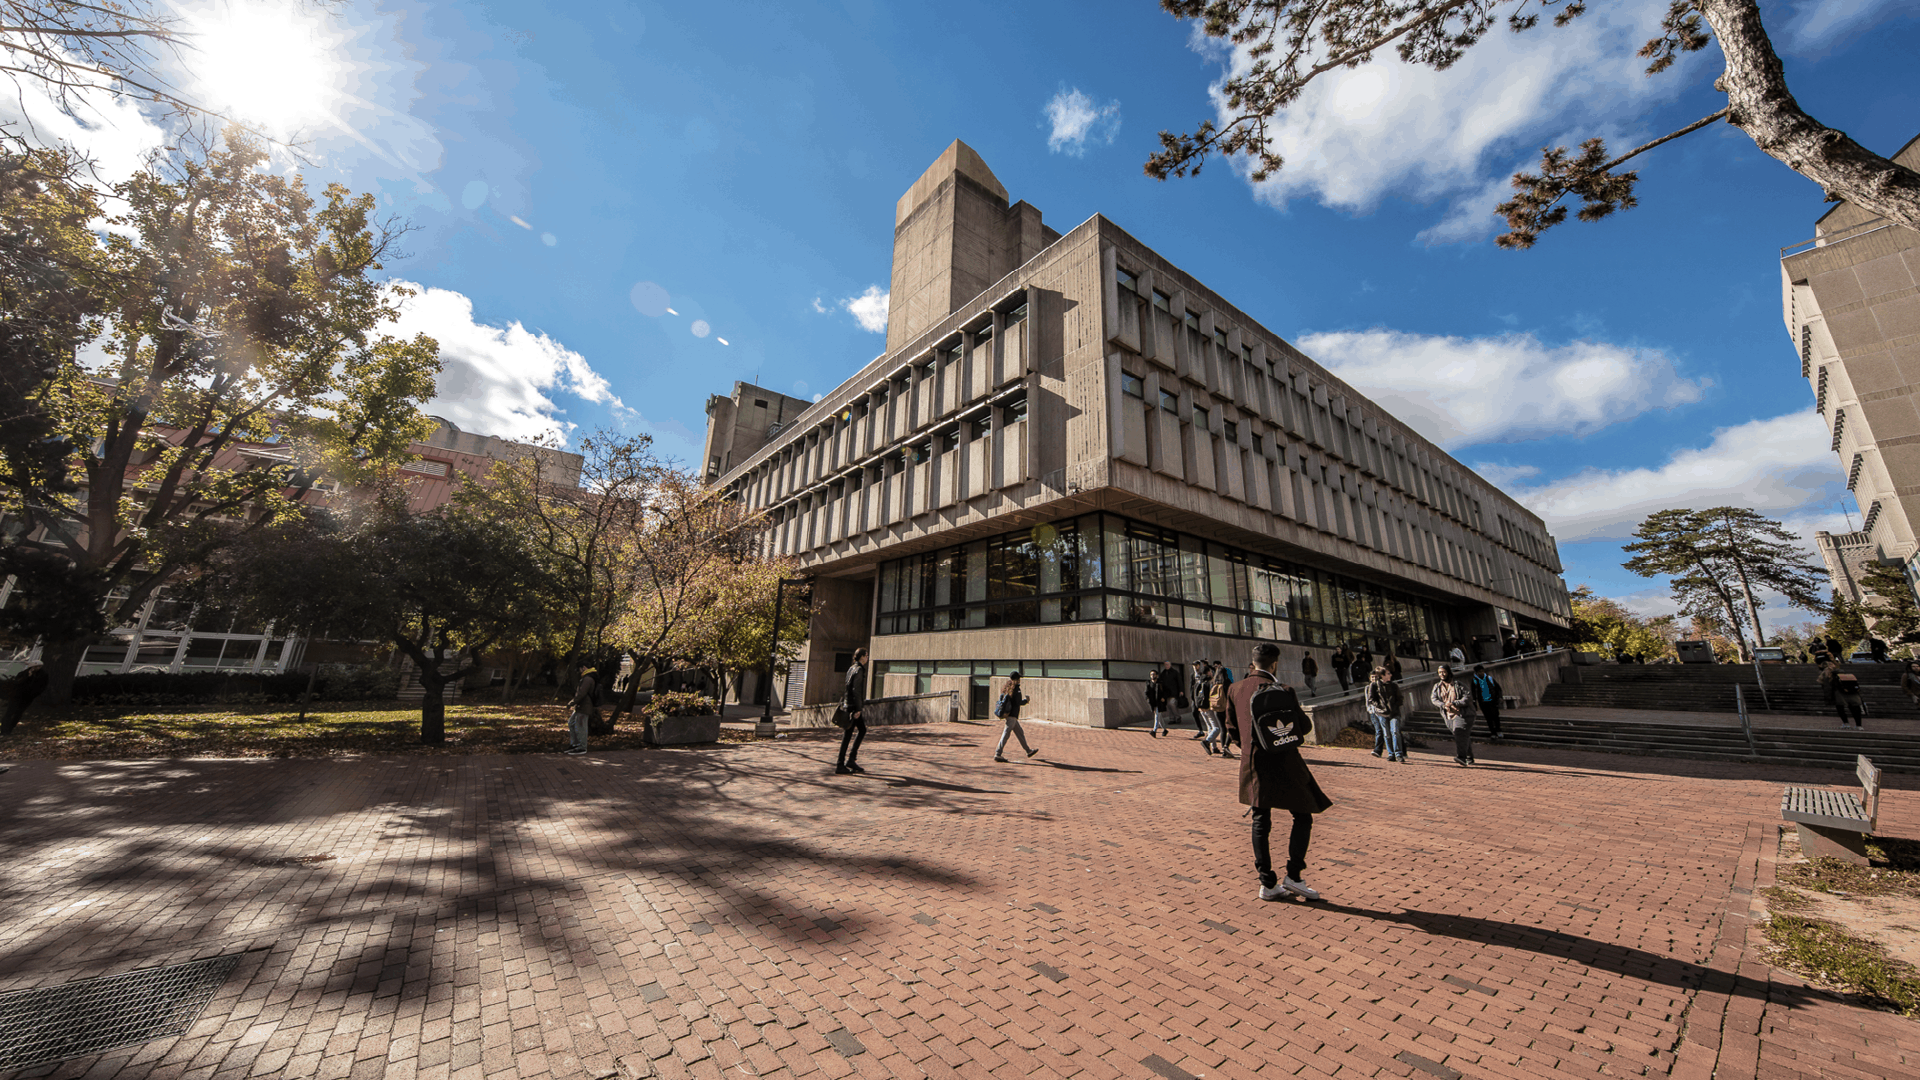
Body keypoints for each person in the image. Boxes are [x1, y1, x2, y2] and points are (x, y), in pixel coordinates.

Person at [1228, 642, 1332, 902]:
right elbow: (1304, 726)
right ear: (1274, 663)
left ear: (1252, 662)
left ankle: (1267, 883)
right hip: (1286, 762)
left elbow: (1232, 730)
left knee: (1261, 821)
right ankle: (1294, 877)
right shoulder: (1284, 690)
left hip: (1253, 764)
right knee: (1303, 815)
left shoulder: (1235, 689)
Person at [835, 647, 870, 774]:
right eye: (866, 655)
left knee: (859, 730)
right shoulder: (859, 670)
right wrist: (858, 709)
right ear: (861, 657)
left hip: (848, 705)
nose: (867, 658)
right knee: (849, 734)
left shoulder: (851, 668)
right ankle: (842, 763)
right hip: (853, 707)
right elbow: (856, 690)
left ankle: (850, 760)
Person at [1431, 664, 1474, 766]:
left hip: (1463, 714)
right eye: (1439, 672)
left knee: (1459, 732)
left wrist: (1455, 703)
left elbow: (1467, 697)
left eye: (1443, 672)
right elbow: (1434, 699)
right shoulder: (1437, 687)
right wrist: (1443, 705)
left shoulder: (1459, 685)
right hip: (1448, 715)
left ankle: (1461, 757)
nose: (1441, 674)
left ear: (1449, 672)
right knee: (1461, 735)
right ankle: (1469, 756)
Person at [992, 670, 1039, 761]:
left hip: (1009, 714)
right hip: (1012, 715)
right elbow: (1017, 702)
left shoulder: (1008, 687)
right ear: (1017, 679)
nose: (1020, 680)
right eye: (1019, 678)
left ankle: (1028, 751)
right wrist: (1026, 701)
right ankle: (998, 753)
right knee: (1006, 734)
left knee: (1020, 732)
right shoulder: (1016, 689)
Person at [1365, 667, 1405, 762]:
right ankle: (1391, 754)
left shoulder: (1394, 685)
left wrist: (1395, 707)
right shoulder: (1374, 685)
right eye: (1388, 673)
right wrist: (1379, 707)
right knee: (1386, 734)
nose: (1390, 675)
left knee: (1395, 732)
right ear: (1382, 675)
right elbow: (1371, 699)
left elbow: (1400, 698)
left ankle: (1398, 754)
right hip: (1382, 713)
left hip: (1394, 713)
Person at [1, 662, 49, 737]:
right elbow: (17, 682)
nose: (37, 668)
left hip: (28, 697)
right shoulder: (23, 674)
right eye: (35, 667)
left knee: (18, 713)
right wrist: (27, 676)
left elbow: (40, 686)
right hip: (17, 695)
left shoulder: (43, 675)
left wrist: (34, 693)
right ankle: (4, 730)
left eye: (39, 666)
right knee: (10, 712)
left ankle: (9, 729)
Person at [566, 667, 600, 755]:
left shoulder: (588, 678)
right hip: (581, 706)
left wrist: (571, 703)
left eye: (580, 669)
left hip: (584, 706)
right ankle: (575, 744)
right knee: (572, 722)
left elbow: (581, 693)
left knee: (581, 726)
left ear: (584, 667)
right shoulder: (588, 677)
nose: (579, 671)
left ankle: (581, 746)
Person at [1202, 662, 1233, 756]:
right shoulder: (1227, 683)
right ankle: (1226, 747)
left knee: (1223, 729)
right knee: (1231, 728)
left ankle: (1224, 750)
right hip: (1226, 708)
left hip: (1216, 708)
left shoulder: (1213, 682)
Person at [1470, 664, 1504, 740]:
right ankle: (1493, 732)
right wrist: (1474, 702)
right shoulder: (1475, 681)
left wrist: (1500, 697)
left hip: (1492, 700)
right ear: (1476, 672)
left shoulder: (1489, 678)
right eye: (1479, 672)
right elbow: (1473, 692)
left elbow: (1498, 688)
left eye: (1482, 671)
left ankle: (1499, 730)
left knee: (1495, 716)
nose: (1481, 673)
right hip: (1483, 702)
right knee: (1488, 718)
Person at [1146, 661, 1179, 737]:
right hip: (1153, 702)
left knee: (1157, 716)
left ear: (1157, 675)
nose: (1152, 676)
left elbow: (1167, 691)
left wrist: (1164, 697)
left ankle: (1154, 731)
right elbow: (1146, 692)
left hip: (1159, 702)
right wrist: (1148, 699)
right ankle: (1165, 729)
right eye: (1151, 674)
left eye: (1153, 674)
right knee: (1159, 717)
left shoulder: (1160, 683)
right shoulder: (1148, 683)